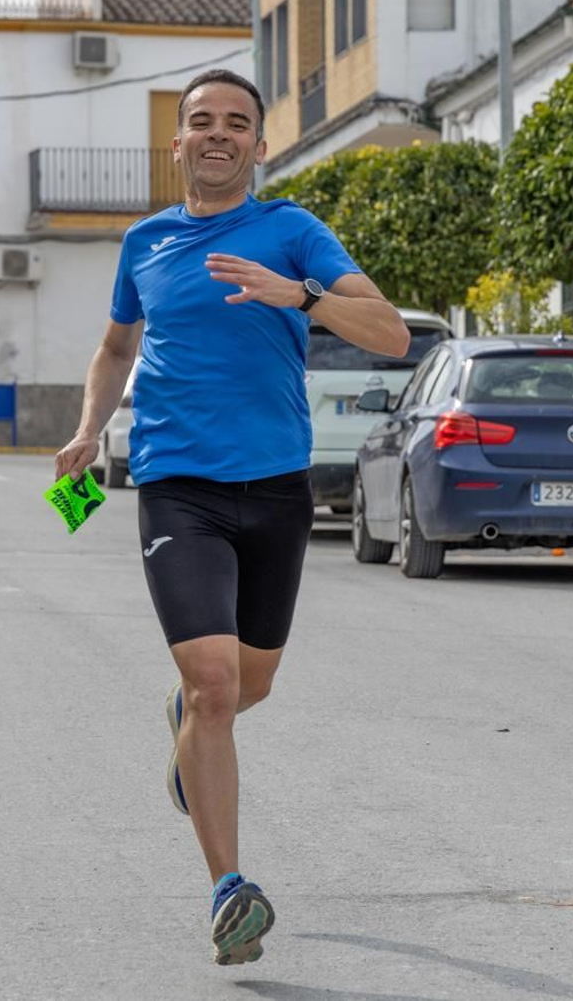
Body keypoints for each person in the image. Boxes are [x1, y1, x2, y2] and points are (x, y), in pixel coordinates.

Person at [53, 69, 408, 966]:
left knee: (248, 688)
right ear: (176, 142)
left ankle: (188, 719)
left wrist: (302, 296)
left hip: (277, 489)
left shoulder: (293, 232)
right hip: (179, 485)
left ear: (259, 144)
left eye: (236, 123)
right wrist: (91, 428)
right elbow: (113, 346)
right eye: (200, 122)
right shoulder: (144, 243)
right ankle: (228, 893)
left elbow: (393, 334)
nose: (218, 134)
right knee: (217, 688)